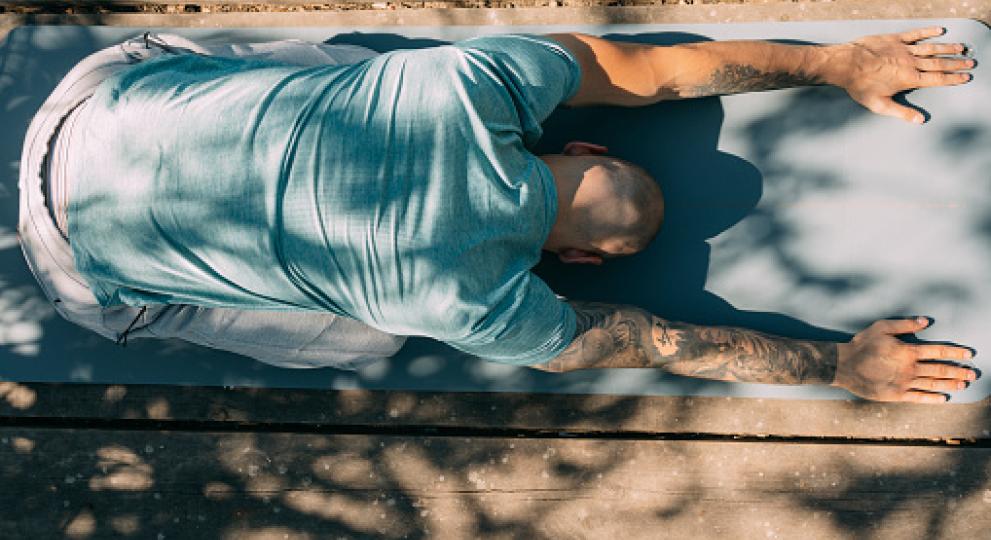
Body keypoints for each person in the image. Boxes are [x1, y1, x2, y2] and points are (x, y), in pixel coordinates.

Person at [19, 26, 978, 402]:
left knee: (360, 64)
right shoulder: (471, 301)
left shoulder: (474, 84)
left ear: (582, 149)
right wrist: (837, 366)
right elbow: (654, 342)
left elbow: (652, 71)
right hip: (71, 264)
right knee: (369, 344)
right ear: (578, 263)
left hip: (92, 99)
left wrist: (835, 63)